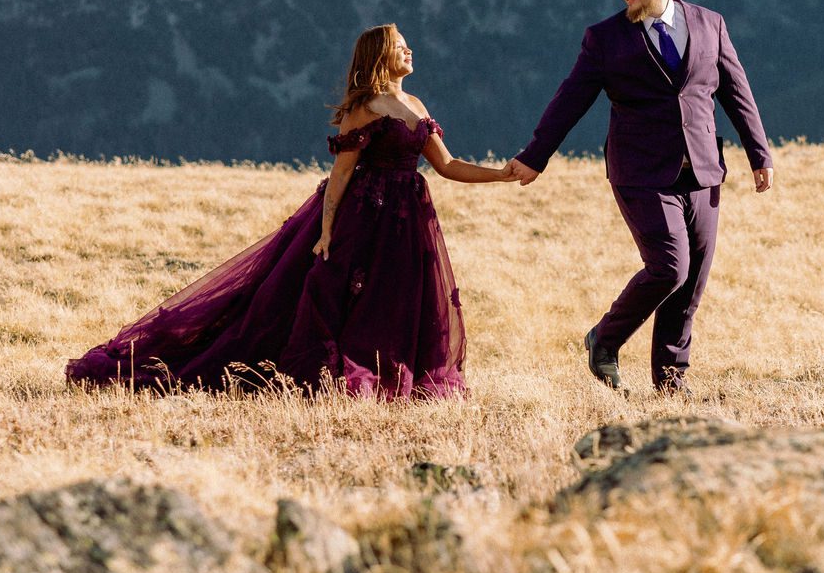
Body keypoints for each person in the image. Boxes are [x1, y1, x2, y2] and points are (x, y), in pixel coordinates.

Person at [66, 24, 514, 398]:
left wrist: (502, 174)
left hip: (408, 220)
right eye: (401, 46)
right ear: (382, 55)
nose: (409, 50)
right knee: (341, 298)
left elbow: (448, 165)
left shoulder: (416, 105)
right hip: (364, 215)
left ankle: (400, 373)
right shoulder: (363, 109)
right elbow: (340, 175)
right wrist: (326, 229)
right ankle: (350, 375)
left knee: (401, 298)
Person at [508, 0, 774, 395]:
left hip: (703, 168)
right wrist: (536, 155)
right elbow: (570, 99)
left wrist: (759, 153)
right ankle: (605, 339)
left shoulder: (710, 24)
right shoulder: (604, 37)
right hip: (639, 171)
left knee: (693, 279)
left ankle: (671, 382)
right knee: (670, 266)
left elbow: (735, 90)